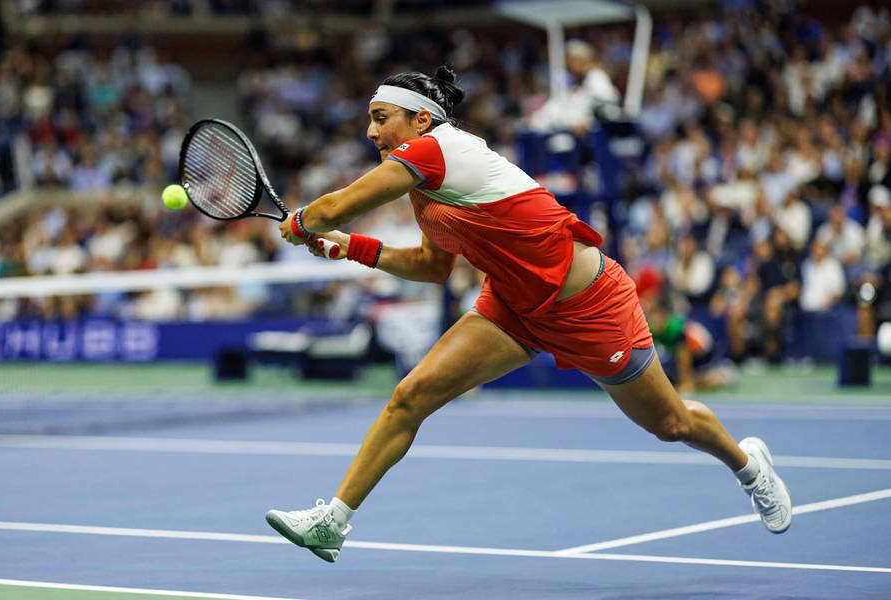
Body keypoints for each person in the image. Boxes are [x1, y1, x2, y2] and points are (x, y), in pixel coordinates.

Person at [266, 66, 792, 563]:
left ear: (421, 119)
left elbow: (332, 208)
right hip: (514, 306)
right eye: (369, 119)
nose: (370, 131)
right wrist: (345, 248)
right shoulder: (423, 185)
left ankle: (748, 468)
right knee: (411, 395)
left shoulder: (437, 150)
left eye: (381, 118)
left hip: (588, 307)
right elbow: (432, 267)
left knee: (671, 423)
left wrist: (303, 222)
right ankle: (333, 522)